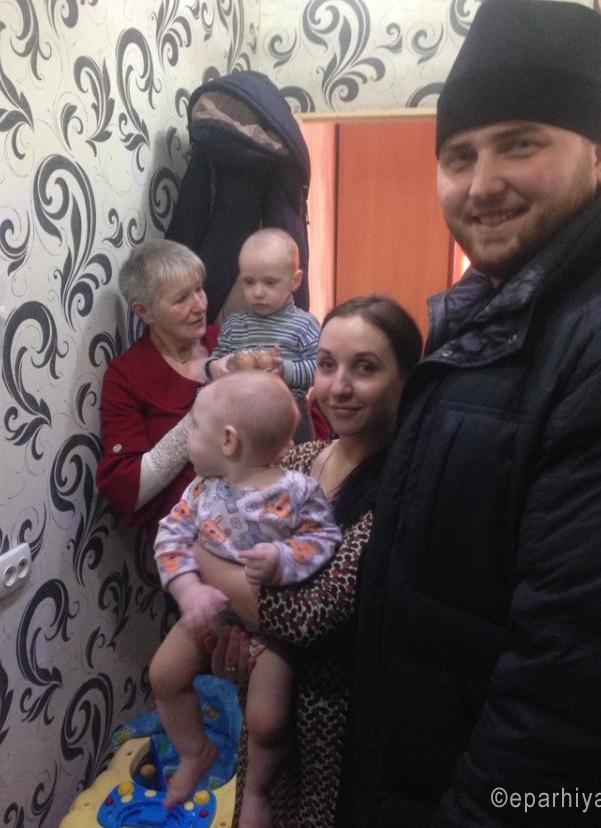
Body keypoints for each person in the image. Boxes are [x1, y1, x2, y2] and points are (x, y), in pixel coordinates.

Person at [343, 0, 601, 826]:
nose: (481, 185)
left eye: (520, 144)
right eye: (458, 156)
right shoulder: (491, 310)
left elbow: (574, 686)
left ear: (597, 153)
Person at [194, 295, 424, 827]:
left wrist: (200, 557)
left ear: (406, 380)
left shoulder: (398, 494)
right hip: (265, 705)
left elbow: (308, 616)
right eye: (326, 364)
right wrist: (233, 640)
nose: (338, 387)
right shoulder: (297, 460)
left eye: (364, 368)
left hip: (333, 728)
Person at [150, 370, 341, 825]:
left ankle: (257, 790)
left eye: (195, 427)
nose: (188, 437)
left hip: (270, 632)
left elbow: (325, 538)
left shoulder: (298, 491)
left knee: (267, 722)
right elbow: (169, 539)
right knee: (164, 675)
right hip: (211, 614)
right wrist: (188, 589)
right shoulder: (201, 491)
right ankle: (195, 752)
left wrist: (282, 557)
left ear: (229, 441)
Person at [96, 238, 219, 545]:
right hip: (190, 543)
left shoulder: (226, 342)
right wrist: (197, 418)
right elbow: (129, 487)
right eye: (182, 299)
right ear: (144, 311)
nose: (201, 305)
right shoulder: (127, 376)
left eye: (199, 289)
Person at [204, 227, 321, 443]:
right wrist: (214, 367)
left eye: (269, 282)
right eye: (249, 282)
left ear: (295, 281)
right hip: (241, 415)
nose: (257, 292)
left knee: (295, 462)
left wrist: (285, 371)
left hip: (291, 415)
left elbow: (321, 368)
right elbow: (218, 358)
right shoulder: (234, 325)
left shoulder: (305, 324)